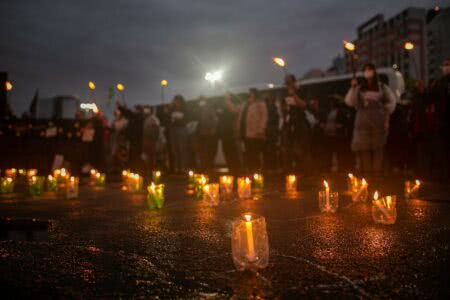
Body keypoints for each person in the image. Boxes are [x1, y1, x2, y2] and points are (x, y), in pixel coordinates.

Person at [345, 63, 396, 175]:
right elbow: (350, 101)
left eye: (370, 69)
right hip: (362, 122)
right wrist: (353, 87)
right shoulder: (359, 88)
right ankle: (368, 173)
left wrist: (386, 116)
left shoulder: (382, 87)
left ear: (374, 71)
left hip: (378, 121)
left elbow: (391, 102)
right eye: (365, 70)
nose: (368, 72)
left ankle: (377, 172)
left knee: (378, 148)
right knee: (364, 149)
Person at [224, 88, 267, 172]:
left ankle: (256, 170)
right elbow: (234, 109)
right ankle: (250, 169)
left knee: (255, 152)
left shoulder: (260, 103)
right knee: (248, 152)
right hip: (245, 133)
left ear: (255, 94)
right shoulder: (244, 105)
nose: (249, 95)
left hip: (255, 133)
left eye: (250, 93)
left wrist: (261, 129)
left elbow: (264, 117)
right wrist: (227, 100)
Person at [282, 74, 311, 174]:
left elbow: (303, 105)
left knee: (301, 148)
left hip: (300, 123)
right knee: (288, 149)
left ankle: (305, 170)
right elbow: (284, 109)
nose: (287, 85)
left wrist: (294, 95)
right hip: (289, 124)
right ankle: (291, 171)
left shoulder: (301, 91)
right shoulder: (285, 94)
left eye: (289, 83)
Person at [428, 58, 450, 180]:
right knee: (445, 150)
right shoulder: (440, 83)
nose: (446, 67)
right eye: (444, 65)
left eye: (448, 65)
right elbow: (429, 98)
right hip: (443, 122)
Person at [194, 96, 218, 172]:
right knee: (201, 152)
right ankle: (203, 167)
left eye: (201, 100)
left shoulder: (209, 108)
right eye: (199, 101)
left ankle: (209, 167)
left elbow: (215, 120)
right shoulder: (197, 109)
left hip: (208, 134)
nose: (200, 102)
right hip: (199, 134)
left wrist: (212, 129)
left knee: (209, 152)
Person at [169, 95, 189, 173]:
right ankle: (178, 168)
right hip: (173, 130)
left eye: (176, 100)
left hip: (181, 129)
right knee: (175, 149)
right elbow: (168, 117)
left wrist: (178, 118)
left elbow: (186, 118)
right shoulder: (172, 109)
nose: (175, 102)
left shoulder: (185, 109)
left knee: (182, 149)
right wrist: (170, 107)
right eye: (174, 100)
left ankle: (184, 168)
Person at [142, 106, 160, 176]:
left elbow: (156, 129)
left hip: (151, 139)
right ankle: (148, 170)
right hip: (146, 138)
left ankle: (152, 170)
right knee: (146, 155)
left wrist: (154, 138)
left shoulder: (153, 118)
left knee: (151, 155)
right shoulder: (146, 119)